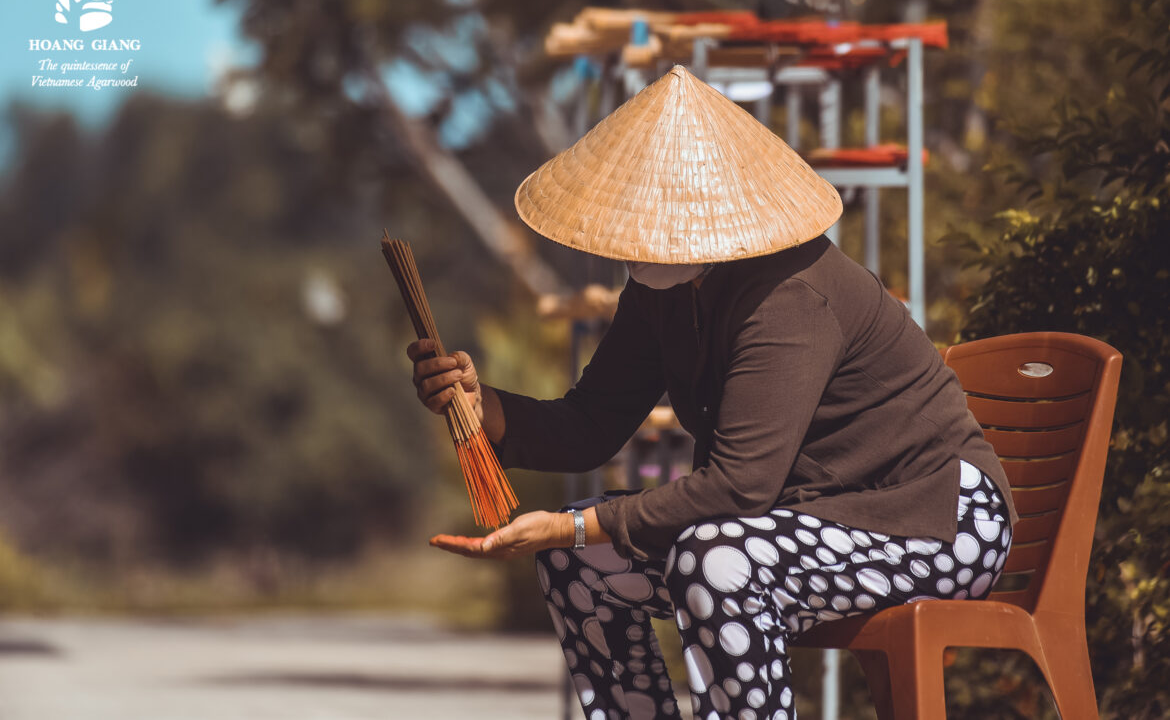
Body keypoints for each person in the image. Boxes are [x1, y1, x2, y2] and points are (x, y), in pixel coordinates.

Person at [408, 66, 1017, 720]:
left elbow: (739, 487)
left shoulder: (790, 294)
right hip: (807, 519)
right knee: (578, 565)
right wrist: (482, 407)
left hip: (934, 521)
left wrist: (576, 524)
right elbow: (589, 424)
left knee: (711, 557)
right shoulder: (663, 292)